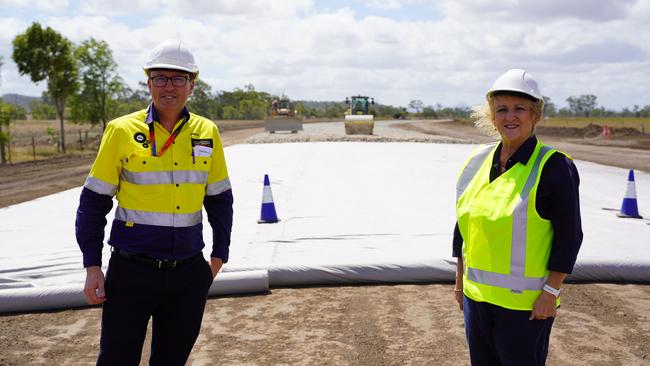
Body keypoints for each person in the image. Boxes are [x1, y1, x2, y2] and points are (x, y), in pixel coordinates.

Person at [75, 39, 233, 365]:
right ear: (149, 84)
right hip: (131, 273)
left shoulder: (207, 132)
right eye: (160, 78)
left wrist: (218, 258)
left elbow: (220, 200)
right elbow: (93, 202)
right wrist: (92, 265)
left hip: (188, 275)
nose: (168, 86)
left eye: (178, 78)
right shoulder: (120, 131)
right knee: (117, 360)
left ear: (192, 84)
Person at [452, 69, 582, 365]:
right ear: (492, 116)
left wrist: (551, 292)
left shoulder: (554, 167)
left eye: (519, 109)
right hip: (477, 301)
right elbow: (462, 226)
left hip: (526, 307)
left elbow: (569, 235)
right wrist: (460, 283)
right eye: (502, 109)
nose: (510, 117)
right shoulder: (476, 162)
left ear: (534, 115)